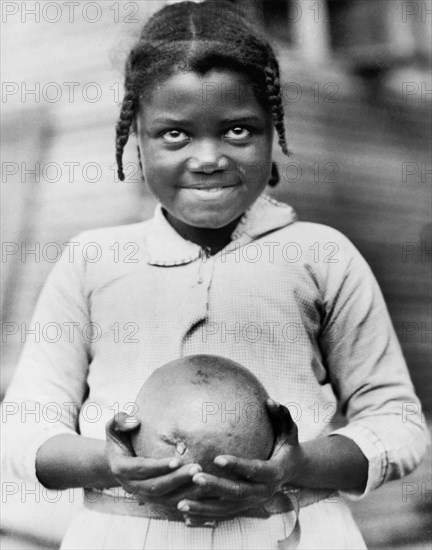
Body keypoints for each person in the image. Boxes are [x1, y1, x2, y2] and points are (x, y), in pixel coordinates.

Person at [1, 1, 428, 549]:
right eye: (175, 134)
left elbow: (398, 423)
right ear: (137, 137)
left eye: (238, 130)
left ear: (274, 130)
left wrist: (297, 464)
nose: (208, 157)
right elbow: (23, 429)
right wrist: (106, 463)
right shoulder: (92, 261)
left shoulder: (323, 257)